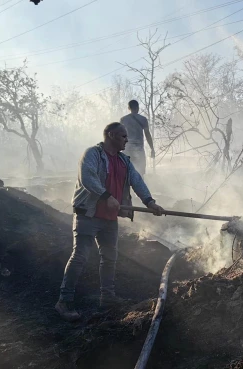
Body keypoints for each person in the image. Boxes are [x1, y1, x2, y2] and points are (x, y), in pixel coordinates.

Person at [55, 122, 165, 322]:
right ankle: (64, 301)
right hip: (87, 215)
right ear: (112, 135)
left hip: (109, 218)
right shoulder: (92, 154)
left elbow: (137, 181)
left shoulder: (124, 161)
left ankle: (107, 297)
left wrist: (150, 202)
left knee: (110, 257)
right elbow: (87, 178)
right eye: (123, 136)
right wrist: (107, 196)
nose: (126, 140)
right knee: (80, 256)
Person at [119, 100, 155, 174]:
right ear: (138, 107)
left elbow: (120, 135)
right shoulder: (143, 119)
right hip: (139, 150)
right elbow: (147, 134)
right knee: (140, 174)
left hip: (127, 150)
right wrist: (152, 148)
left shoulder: (123, 119)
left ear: (129, 108)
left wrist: (117, 150)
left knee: (125, 174)